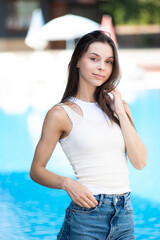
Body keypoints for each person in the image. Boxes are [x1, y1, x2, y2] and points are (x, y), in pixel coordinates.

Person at [30, 30, 147, 239]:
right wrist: (67, 183)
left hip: (124, 214)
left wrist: (120, 111)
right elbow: (36, 170)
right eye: (94, 59)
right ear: (77, 61)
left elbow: (139, 162)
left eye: (109, 61)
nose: (102, 67)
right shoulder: (60, 114)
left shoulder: (120, 108)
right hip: (87, 215)